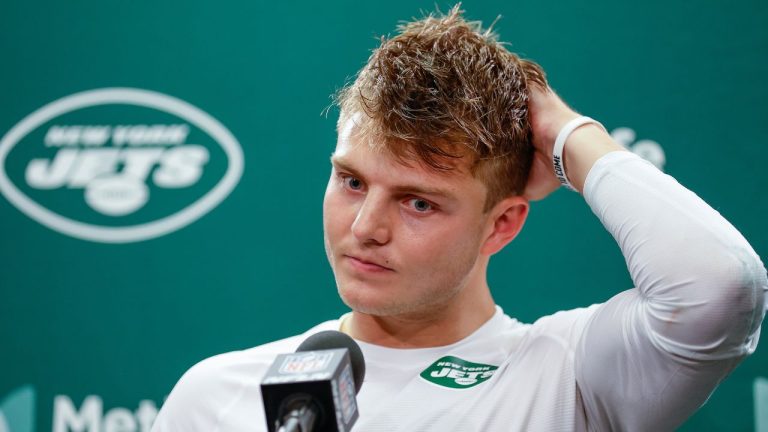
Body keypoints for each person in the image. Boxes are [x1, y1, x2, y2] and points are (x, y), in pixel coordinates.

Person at [151, 6, 766, 432]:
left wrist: (567, 137)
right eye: (352, 181)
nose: (365, 226)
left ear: (501, 225)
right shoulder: (217, 396)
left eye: (418, 201)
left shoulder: (569, 376)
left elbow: (721, 287)